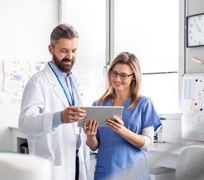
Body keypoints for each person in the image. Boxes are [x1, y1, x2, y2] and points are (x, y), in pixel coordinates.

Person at [19, 24, 90, 180]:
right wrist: (59, 118)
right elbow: (25, 122)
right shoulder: (38, 82)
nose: (70, 56)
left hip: (77, 159)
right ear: (51, 49)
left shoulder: (72, 81)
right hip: (54, 166)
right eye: (64, 50)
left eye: (74, 51)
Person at [82, 52, 161, 180]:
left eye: (124, 75)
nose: (117, 79)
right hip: (106, 172)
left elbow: (147, 144)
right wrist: (90, 135)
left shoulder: (144, 104)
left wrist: (121, 130)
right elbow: (94, 146)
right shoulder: (98, 104)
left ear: (133, 77)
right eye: (114, 73)